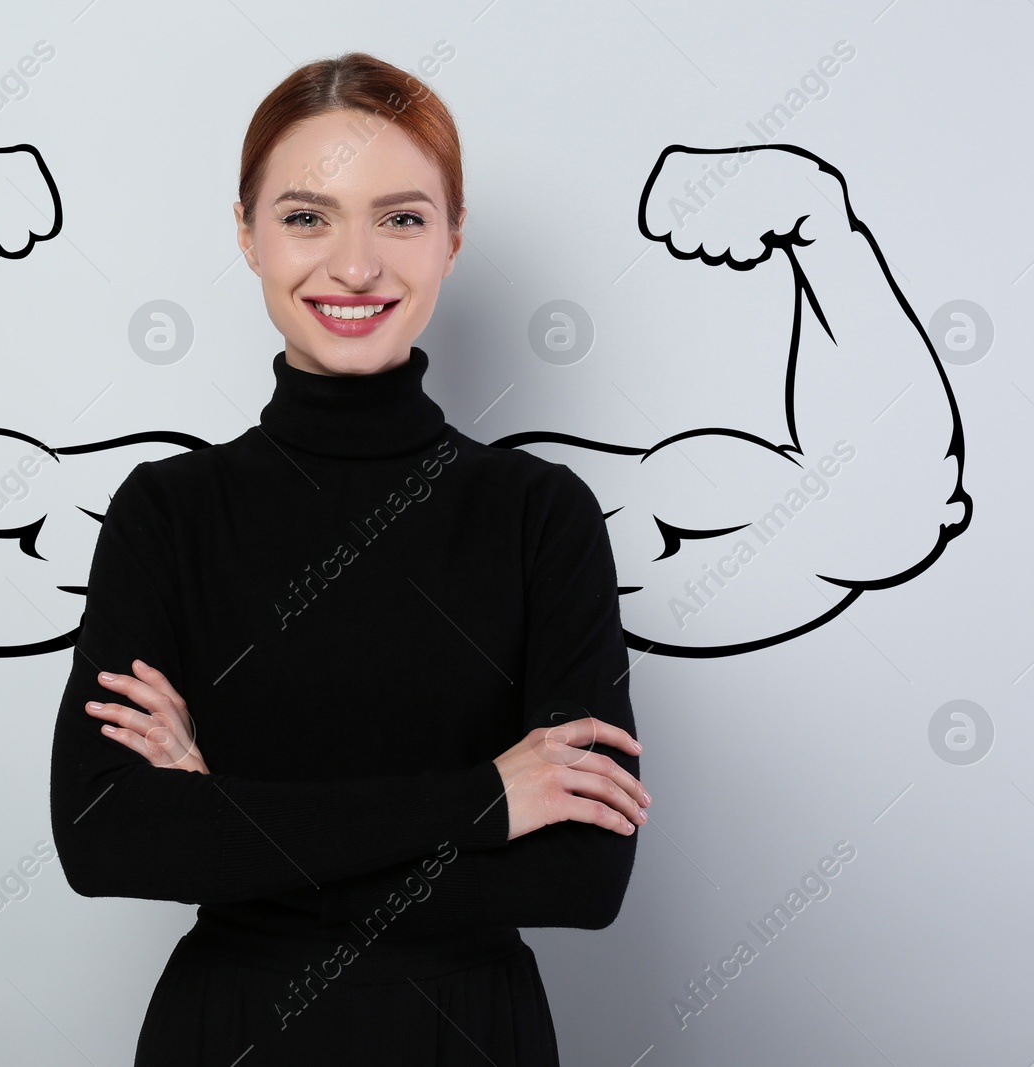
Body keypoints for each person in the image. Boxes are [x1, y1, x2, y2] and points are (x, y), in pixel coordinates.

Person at [49, 52, 649, 1066]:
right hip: (229, 1034)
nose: (356, 264)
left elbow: (581, 879)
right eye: (307, 215)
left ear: (453, 237)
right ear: (246, 233)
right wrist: (481, 800)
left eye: (402, 217)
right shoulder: (168, 513)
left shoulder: (538, 514)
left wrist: (222, 815)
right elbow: (108, 839)